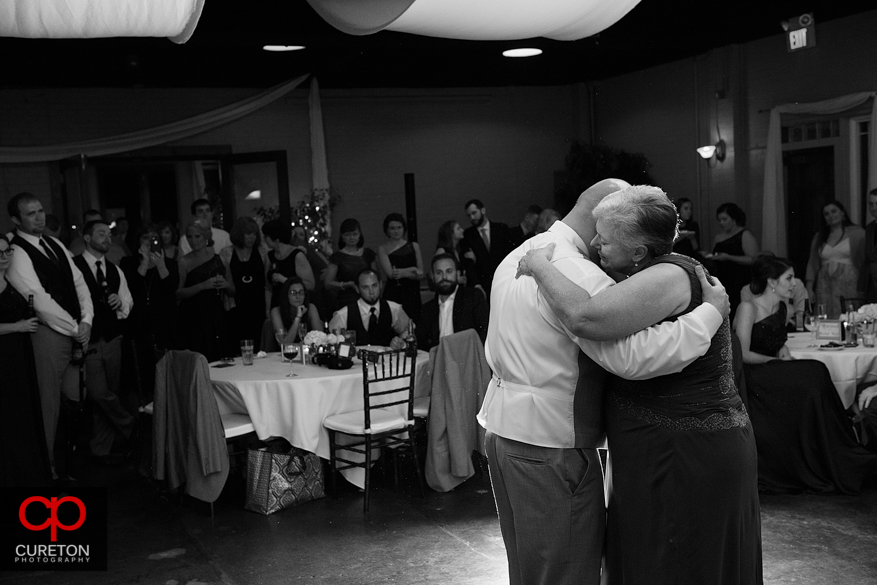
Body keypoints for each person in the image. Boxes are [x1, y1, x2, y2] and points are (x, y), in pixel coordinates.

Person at [479, 179, 732, 585]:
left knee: (528, 573)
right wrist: (709, 316)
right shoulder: (575, 272)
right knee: (565, 575)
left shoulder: (522, 252)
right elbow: (632, 356)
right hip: (552, 440)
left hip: (503, 432)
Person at [735, 255, 875, 494]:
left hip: (772, 367)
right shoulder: (749, 307)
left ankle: (837, 444)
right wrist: (777, 361)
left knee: (816, 370)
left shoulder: (782, 308)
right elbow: (742, 354)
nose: (794, 283)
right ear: (771, 281)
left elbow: (777, 341)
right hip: (753, 374)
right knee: (813, 373)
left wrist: (784, 354)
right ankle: (832, 443)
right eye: (788, 278)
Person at [7, 193, 94, 478]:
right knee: (48, 408)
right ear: (16, 220)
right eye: (31, 214)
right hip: (47, 336)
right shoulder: (17, 251)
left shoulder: (55, 243)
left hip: (74, 333)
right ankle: (48, 471)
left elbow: (80, 284)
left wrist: (87, 322)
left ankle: (71, 464)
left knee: (76, 403)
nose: (39, 217)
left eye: (41, 211)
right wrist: (75, 328)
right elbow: (38, 299)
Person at [72, 220, 137, 465]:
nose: (107, 238)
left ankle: (101, 448)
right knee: (99, 394)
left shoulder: (114, 269)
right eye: (101, 234)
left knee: (111, 392)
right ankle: (132, 425)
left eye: (109, 235)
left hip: (113, 338)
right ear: (87, 238)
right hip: (88, 341)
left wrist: (120, 304)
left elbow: (128, 301)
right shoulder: (74, 266)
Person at [0, 234, 52, 487]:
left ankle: (26, 479)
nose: (4, 258)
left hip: (19, 355)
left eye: (7, 252)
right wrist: (17, 326)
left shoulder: (9, 278)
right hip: (3, 358)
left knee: (23, 415)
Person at [120, 224, 180, 399]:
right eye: (145, 238)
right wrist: (145, 262)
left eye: (154, 238)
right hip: (140, 323)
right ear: (138, 242)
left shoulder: (170, 263)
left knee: (168, 374)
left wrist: (160, 264)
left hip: (165, 321)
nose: (150, 242)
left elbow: (172, 289)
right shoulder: (128, 263)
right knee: (144, 376)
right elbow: (131, 289)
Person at [176, 221, 235, 362]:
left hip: (216, 314)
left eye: (197, 236)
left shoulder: (220, 259)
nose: (193, 241)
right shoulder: (184, 262)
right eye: (189, 237)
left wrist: (225, 285)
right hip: (194, 317)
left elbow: (232, 291)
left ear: (206, 236)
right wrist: (203, 285)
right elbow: (177, 293)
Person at [805, 200, 865, 318]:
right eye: (826, 214)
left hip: (850, 284)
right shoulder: (819, 237)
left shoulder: (857, 233)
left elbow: (866, 260)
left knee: (849, 316)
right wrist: (809, 288)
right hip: (825, 285)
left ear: (842, 213)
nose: (831, 216)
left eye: (834, 211)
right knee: (825, 316)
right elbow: (812, 263)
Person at [416, 253, 488, 351]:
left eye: (449, 271)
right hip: (438, 362)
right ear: (432, 277)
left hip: (468, 360)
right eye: (439, 273)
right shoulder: (427, 309)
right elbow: (421, 343)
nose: (444, 277)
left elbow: (484, 333)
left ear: (457, 274)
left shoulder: (472, 297)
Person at [328, 269, 410, 348]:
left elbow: (408, 333)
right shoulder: (343, 314)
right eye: (365, 287)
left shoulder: (394, 309)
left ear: (380, 284)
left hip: (387, 359)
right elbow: (331, 342)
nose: (371, 291)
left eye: (374, 285)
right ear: (357, 289)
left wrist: (400, 342)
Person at [710, 202, 758, 321]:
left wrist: (729, 257)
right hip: (722, 281)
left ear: (734, 219)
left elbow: (753, 259)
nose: (721, 223)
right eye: (719, 220)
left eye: (724, 219)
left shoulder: (745, 234)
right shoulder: (718, 237)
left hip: (739, 281)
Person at [226, 217, 266, 350]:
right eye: (248, 234)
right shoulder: (227, 253)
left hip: (258, 305)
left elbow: (266, 282)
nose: (252, 237)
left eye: (254, 234)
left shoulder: (261, 252)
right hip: (236, 307)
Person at [377, 213, 424, 322]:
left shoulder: (414, 246)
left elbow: (421, 273)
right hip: (394, 292)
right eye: (392, 228)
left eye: (399, 227)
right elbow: (391, 274)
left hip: (412, 292)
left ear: (404, 228)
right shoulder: (382, 248)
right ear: (387, 230)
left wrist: (404, 272)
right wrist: (412, 270)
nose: (396, 231)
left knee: (414, 323)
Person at [324, 218, 378, 312]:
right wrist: (346, 284)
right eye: (347, 235)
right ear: (342, 237)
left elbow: (377, 278)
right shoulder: (337, 257)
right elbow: (328, 283)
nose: (352, 238)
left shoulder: (368, 254)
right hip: (346, 300)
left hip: (368, 298)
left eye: (355, 234)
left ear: (360, 234)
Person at [462, 199, 512, 293]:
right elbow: (469, 264)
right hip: (484, 284)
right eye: (469, 215)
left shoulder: (501, 229)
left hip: (504, 279)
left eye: (474, 213)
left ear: (483, 210)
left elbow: (509, 253)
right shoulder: (468, 235)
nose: (472, 217)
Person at [264, 219, 316, 309]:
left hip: (295, 305)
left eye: (266, 236)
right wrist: (268, 310)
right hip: (276, 305)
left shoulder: (297, 255)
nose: (264, 239)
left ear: (276, 238)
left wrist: (285, 280)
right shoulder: (269, 256)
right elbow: (268, 287)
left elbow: (310, 285)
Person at [270, 277, 323, 345]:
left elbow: (320, 338)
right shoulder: (276, 311)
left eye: (301, 293)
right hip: (282, 354)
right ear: (286, 295)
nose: (298, 296)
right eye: (293, 293)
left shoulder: (311, 308)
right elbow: (284, 345)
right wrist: (298, 318)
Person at [435, 219, 480, 292]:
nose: (462, 230)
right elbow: (435, 275)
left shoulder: (460, 250)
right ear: (451, 233)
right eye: (458, 228)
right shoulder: (442, 251)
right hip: (448, 291)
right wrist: (454, 279)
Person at [865, 189, 877, 303]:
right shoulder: (869, 228)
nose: (874, 208)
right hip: (873, 284)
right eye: (871, 204)